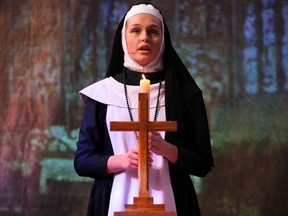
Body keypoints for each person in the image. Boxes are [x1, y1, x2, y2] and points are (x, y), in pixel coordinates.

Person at [74, 3, 214, 216]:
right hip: (113, 200)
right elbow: (82, 161)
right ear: (124, 37)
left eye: (153, 31)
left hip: (172, 200)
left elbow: (202, 163)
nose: (145, 38)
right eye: (136, 30)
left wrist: (167, 149)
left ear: (163, 39)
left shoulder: (186, 95)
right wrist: (121, 160)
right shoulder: (103, 94)